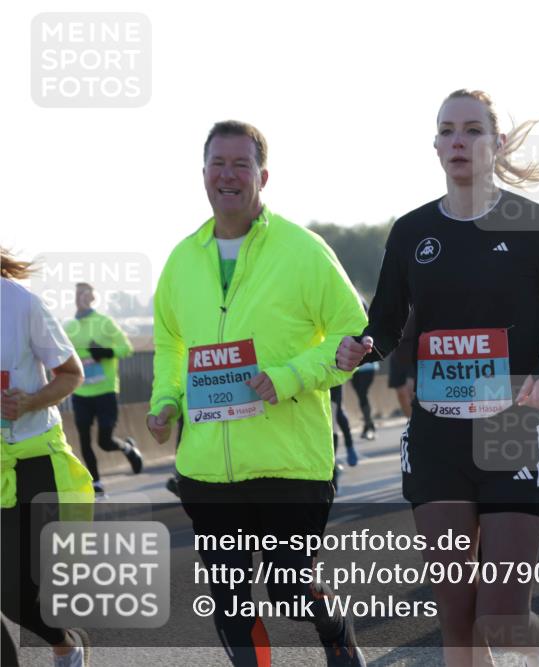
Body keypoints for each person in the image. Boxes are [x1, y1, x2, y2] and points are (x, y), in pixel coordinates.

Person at [336, 89, 539, 667]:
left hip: (512, 433)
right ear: (435, 145)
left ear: (496, 143)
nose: (459, 140)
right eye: (448, 130)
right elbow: (386, 320)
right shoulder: (410, 232)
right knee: (457, 620)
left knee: (499, 622)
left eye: (473, 130)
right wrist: (364, 345)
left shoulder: (535, 224)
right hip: (437, 439)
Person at [146, 121, 369, 666]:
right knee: (229, 601)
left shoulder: (302, 250)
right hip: (207, 467)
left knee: (291, 593)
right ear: (203, 173)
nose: (228, 174)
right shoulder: (181, 259)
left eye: (240, 164)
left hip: (289, 463)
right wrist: (164, 400)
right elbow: (172, 343)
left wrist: (289, 375)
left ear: (262, 176)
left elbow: (354, 332)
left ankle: (334, 629)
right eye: (217, 163)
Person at [2, 250, 95, 667]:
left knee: (15, 591)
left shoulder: (21, 305)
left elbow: (71, 373)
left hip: (30, 461)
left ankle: (65, 644)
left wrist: (29, 402)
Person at [63, 282, 142, 497]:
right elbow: (61, 355)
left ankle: (127, 448)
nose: (81, 298)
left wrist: (105, 352)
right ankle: (96, 483)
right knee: (84, 440)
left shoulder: (105, 323)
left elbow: (127, 348)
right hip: (81, 392)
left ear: (92, 298)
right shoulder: (68, 327)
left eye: (85, 294)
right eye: (78, 293)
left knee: (104, 441)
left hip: (105, 390)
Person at [387, 310, 417, 418]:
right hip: (397, 355)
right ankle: (411, 423)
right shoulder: (391, 305)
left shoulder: (416, 304)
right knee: (401, 393)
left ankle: (419, 421)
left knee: (412, 389)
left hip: (414, 354)